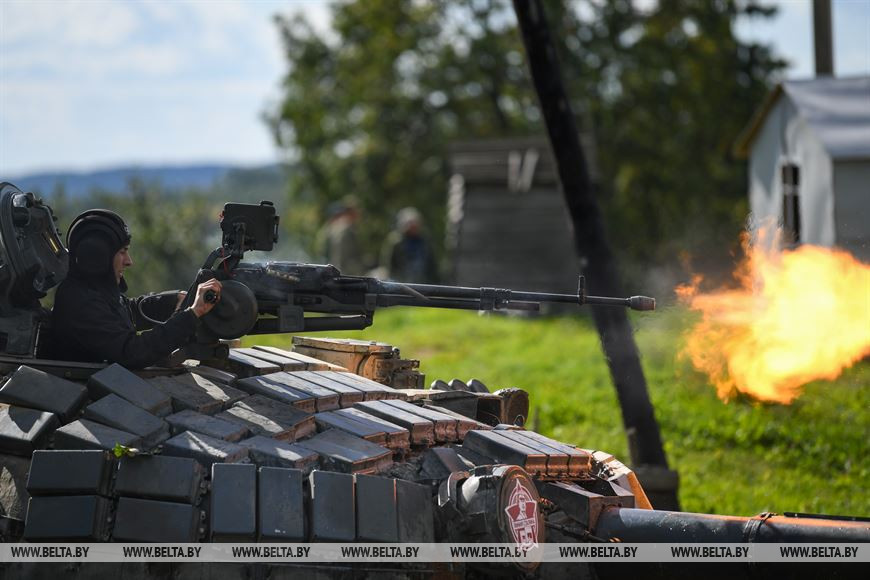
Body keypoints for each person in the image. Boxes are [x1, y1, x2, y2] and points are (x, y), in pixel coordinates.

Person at [51, 209, 221, 369]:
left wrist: (172, 301)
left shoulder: (90, 290)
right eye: (122, 252)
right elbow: (132, 352)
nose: (129, 261)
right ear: (98, 256)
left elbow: (126, 311)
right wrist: (192, 315)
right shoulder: (79, 301)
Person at [379, 207, 439, 283]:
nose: (413, 226)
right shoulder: (395, 241)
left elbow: (432, 267)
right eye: (410, 223)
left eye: (415, 223)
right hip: (400, 283)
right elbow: (387, 266)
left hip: (421, 283)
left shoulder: (425, 242)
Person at [314, 196, 366, 276]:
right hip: (344, 273)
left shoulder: (338, 227)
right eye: (356, 211)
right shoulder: (346, 229)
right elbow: (344, 258)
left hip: (336, 271)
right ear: (351, 212)